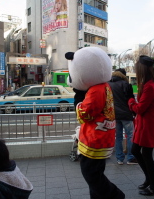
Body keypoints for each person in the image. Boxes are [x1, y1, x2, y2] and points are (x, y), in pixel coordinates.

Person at [65, 47, 125, 199]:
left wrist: (78, 101)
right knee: (96, 173)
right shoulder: (104, 86)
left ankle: (115, 195)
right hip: (102, 136)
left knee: (91, 174)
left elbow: (85, 114)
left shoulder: (95, 90)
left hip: (95, 139)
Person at [128, 55, 154, 196]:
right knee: (136, 151)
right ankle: (149, 180)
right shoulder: (149, 84)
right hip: (145, 125)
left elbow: (139, 109)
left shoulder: (149, 86)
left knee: (146, 155)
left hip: (148, 126)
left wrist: (130, 100)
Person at [108, 68, 137, 165]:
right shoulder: (125, 84)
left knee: (118, 137)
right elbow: (131, 99)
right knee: (130, 135)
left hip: (114, 114)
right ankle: (130, 157)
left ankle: (119, 159)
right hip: (126, 114)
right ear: (123, 75)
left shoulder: (108, 84)